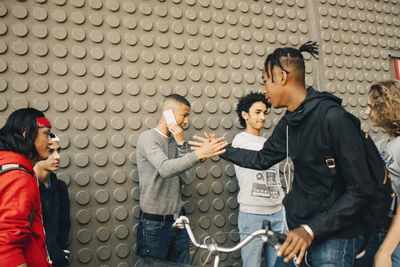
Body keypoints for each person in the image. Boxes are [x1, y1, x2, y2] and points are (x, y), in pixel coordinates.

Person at [191, 41, 375, 267]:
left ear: (282, 77)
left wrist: (310, 230)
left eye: (266, 81)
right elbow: (261, 159)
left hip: (334, 236)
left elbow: (361, 189)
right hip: (298, 231)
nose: (264, 89)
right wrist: (221, 149)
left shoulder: (333, 119)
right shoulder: (289, 123)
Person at [136, 94, 228, 264]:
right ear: (168, 113)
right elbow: (165, 169)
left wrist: (182, 145)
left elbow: (187, 179)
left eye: (188, 116)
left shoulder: (177, 141)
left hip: (178, 222)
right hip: (154, 224)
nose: (186, 122)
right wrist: (199, 154)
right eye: (184, 115)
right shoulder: (147, 139)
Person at [233, 92, 285, 267]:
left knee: (277, 264)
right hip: (252, 214)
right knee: (251, 264)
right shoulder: (240, 141)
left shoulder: (268, 142)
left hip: (277, 212)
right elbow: (261, 155)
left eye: (265, 112)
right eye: (257, 112)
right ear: (245, 115)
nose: (262, 117)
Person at [0, 108, 53, 267]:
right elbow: (6, 247)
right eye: (46, 133)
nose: (50, 141)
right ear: (26, 134)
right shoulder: (18, 177)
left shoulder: (8, 168)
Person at [356, 79, 400, 267]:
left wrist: (385, 251)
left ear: (387, 107)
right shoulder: (382, 144)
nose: (367, 112)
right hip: (379, 230)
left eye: (372, 107)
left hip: (394, 237)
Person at [34, 132, 71, 267]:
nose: (57, 157)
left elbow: (64, 224)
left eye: (58, 150)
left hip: (56, 260)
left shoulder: (59, 187)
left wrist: (63, 253)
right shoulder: (26, 185)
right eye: (50, 151)